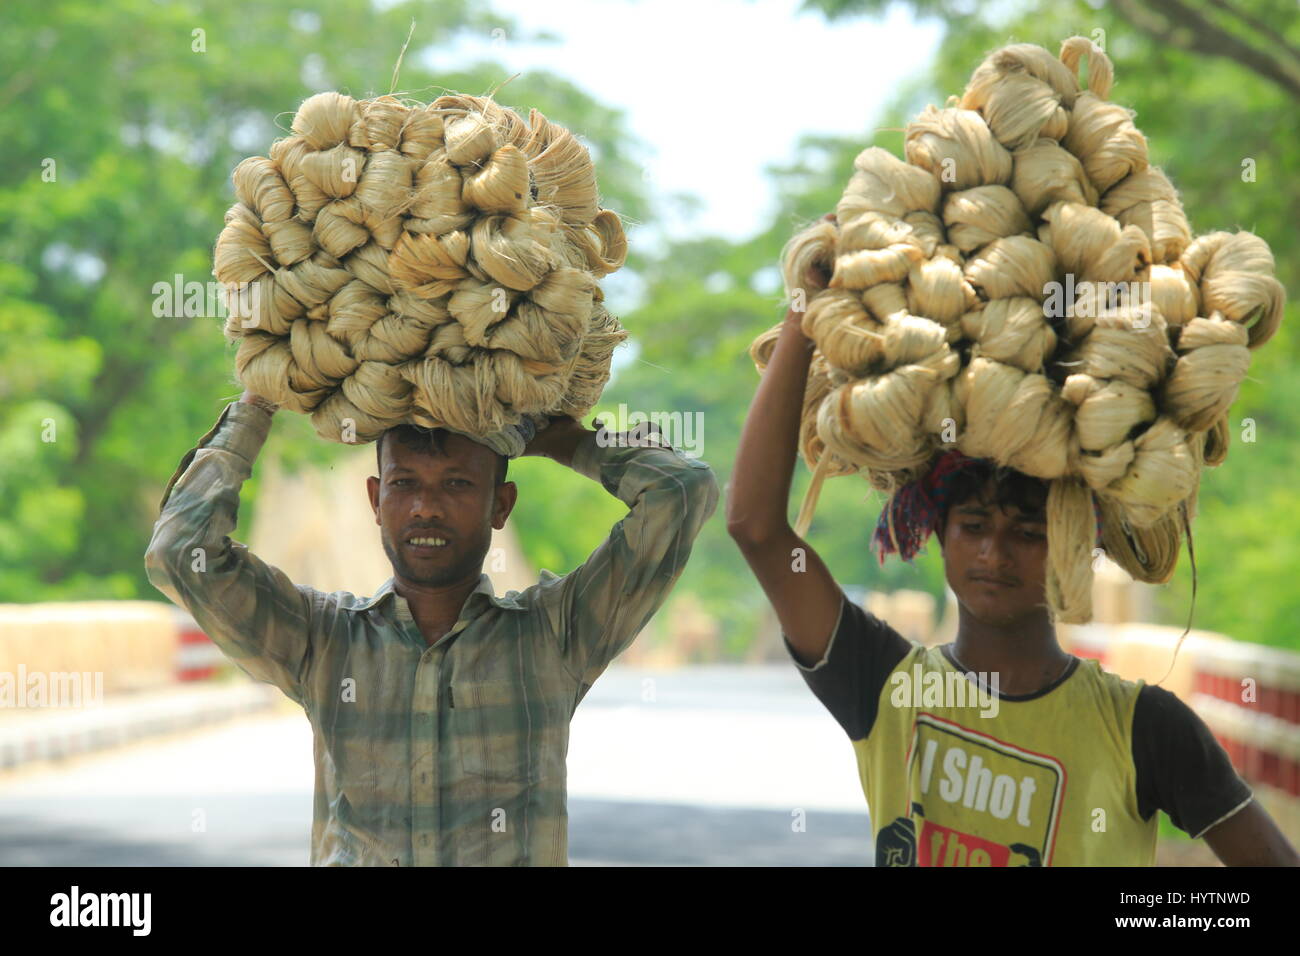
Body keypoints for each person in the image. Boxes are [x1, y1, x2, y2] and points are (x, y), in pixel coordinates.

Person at [726, 250, 1298, 867]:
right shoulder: (884, 683)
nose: (995, 553)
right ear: (939, 532)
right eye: (974, 525)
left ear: (1072, 543)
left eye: (1029, 532)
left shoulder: (1143, 726)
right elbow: (756, 529)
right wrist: (802, 313)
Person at [145, 388, 718, 866]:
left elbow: (679, 491)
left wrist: (559, 441)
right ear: (375, 500)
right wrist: (257, 405)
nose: (426, 507)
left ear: (502, 505)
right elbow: (179, 552)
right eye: (404, 484)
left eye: (457, 484)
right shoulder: (321, 640)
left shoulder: (554, 636)